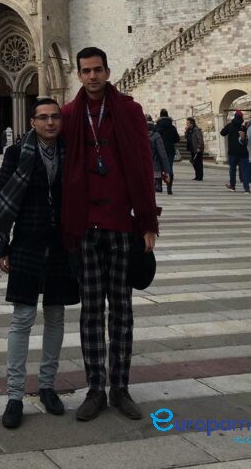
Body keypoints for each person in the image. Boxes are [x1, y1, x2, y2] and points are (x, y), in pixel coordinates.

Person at [61, 47, 159, 423]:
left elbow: (142, 164)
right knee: (90, 313)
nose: (92, 77)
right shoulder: (70, 114)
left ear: (107, 70)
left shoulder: (129, 111)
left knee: (121, 310)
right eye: (86, 71)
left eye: (98, 70)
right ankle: (95, 389)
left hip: (121, 225)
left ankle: (120, 387)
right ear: (78, 74)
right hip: (85, 226)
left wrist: (148, 221)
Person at [0, 97, 78, 430]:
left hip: (61, 246)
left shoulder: (71, 152)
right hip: (27, 245)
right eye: (43, 118)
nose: (50, 123)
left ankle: (47, 385)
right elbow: (1, 198)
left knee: (57, 315)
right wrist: (0, 246)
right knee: (22, 318)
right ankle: (15, 395)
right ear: (32, 122)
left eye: (55, 117)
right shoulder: (16, 154)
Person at [221, 110, 250, 193]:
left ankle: (232, 186)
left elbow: (222, 133)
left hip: (232, 152)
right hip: (243, 152)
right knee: (245, 170)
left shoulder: (230, 125)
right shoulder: (243, 127)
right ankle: (246, 188)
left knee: (232, 170)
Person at [155, 108, 180, 195]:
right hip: (170, 150)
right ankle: (169, 187)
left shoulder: (157, 126)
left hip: (159, 150)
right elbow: (177, 139)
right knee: (169, 168)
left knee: (159, 168)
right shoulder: (172, 127)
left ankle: (159, 187)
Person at [148, 117, 169, 193]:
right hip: (155, 164)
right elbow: (162, 153)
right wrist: (166, 170)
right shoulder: (156, 135)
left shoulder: (139, 135)